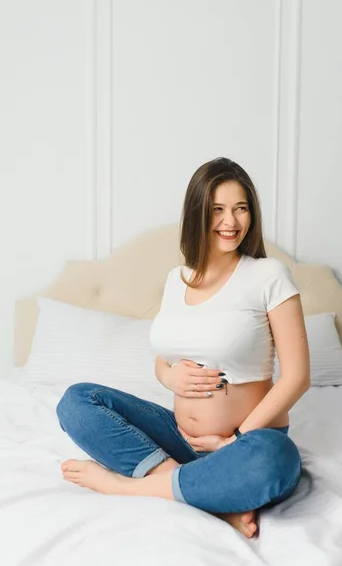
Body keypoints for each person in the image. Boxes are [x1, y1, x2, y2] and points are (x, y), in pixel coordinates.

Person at [56, 157, 310, 539]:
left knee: (276, 462)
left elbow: (297, 378)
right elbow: (165, 357)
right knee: (76, 402)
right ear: (198, 213)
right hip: (179, 438)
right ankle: (191, 488)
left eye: (241, 209)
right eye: (218, 210)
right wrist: (170, 376)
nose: (231, 222)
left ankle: (130, 487)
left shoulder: (268, 275)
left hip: (245, 443)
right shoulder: (177, 279)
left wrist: (234, 439)